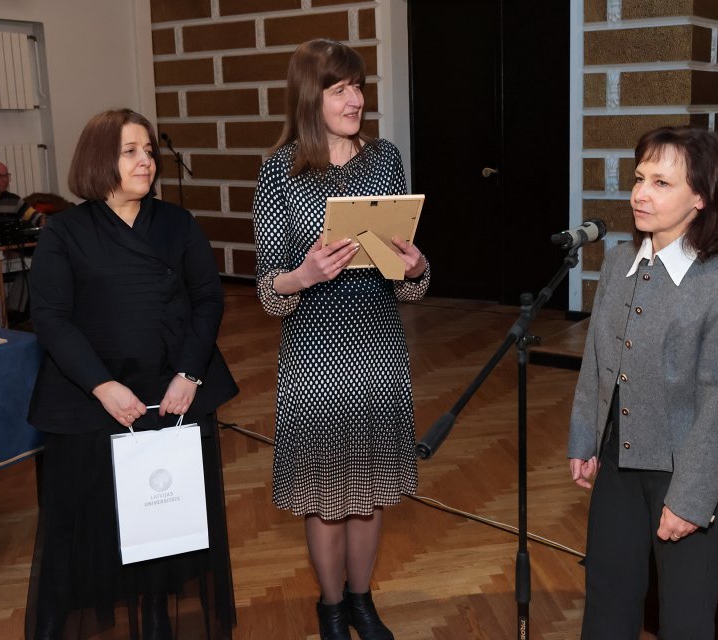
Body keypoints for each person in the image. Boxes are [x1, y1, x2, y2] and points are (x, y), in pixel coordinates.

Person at [25, 109, 239, 640]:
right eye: (131, 151)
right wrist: (100, 385)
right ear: (101, 159)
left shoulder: (176, 223)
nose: (147, 160)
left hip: (170, 392)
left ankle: (157, 617)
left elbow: (208, 299)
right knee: (92, 519)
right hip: (91, 396)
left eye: (149, 150)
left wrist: (191, 373)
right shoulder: (66, 231)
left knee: (165, 520)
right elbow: (50, 316)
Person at [252, 39, 429, 640]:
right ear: (311, 96)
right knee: (327, 492)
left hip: (377, 345)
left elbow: (407, 285)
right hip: (315, 352)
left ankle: (362, 600)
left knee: (369, 487)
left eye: (358, 87)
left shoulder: (385, 158)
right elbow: (268, 291)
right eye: (340, 89)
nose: (356, 99)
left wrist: (416, 269)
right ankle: (330, 608)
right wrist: (302, 275)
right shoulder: (279, 171)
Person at [568, 126, 718, 639]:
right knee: (607, 601)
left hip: (689, 472)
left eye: (660, 182)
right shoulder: (616, 264)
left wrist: (690, 500)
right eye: (639, 178)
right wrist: (587, 438)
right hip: (621, 461)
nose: (640, 193)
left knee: (685, 617)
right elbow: (599, 359)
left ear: (700, 197)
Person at [0, 161, 46, 238]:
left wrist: (42, 220)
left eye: (6, 175)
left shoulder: (13, 200)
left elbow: (35, 217)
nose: (5, 180)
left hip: (6, 247)